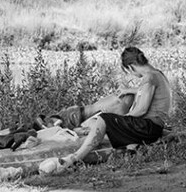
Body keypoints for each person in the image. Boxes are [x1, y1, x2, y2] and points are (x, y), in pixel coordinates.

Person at [39, 46, 172, 175]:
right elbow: (146, 93)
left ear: (131, 66)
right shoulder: (157, 74)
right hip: (153, 127)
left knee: (104, 119)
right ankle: (121, 144)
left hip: (147, 128)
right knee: (109, 118)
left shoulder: (149, 78)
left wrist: (122, 120)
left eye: (129, 71)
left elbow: (141, 110)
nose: (132, 74)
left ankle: (74, 159)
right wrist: (129, 91)